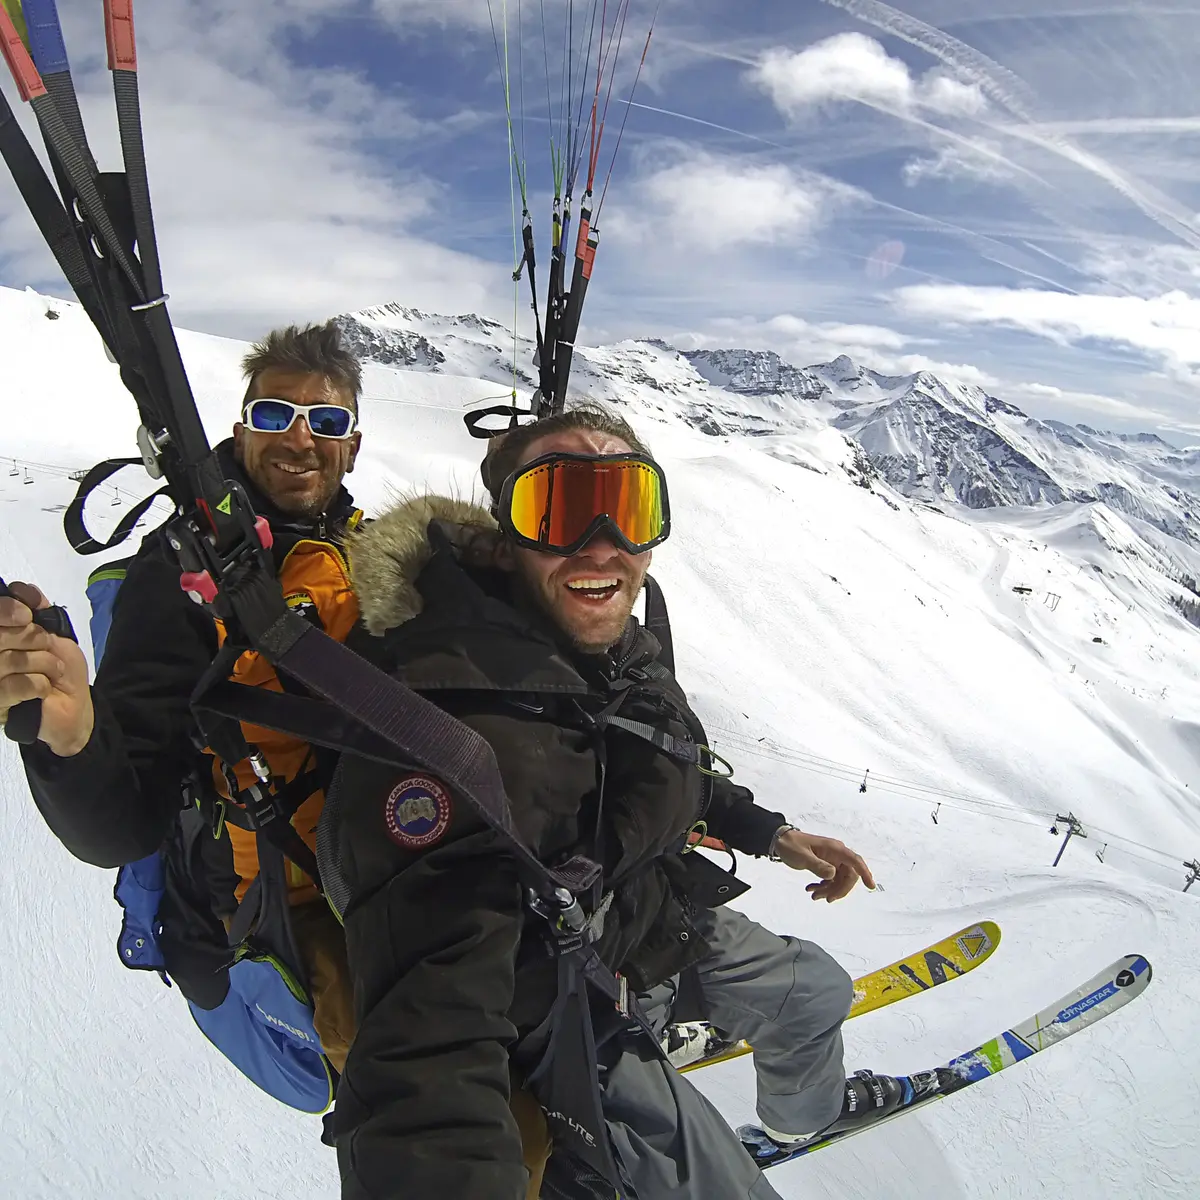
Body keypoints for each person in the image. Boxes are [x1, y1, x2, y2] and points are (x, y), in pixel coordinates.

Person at [328, 401, 929, 1199]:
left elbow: (660, 765)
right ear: (504, 541)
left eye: (630, 507)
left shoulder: (609, 652)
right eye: (560, 509)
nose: (602, 542)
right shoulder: (448, 730)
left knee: (815, 988)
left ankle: (799, 1118)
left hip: (649, 916)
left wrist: (768, 833)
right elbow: (428, 1037)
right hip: (570, 1004)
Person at [0, 320, 365, 1070]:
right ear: (242, 429)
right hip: (267, 917)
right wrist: (70, 739)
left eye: (325, 421)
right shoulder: (180, 577)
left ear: (351, 444)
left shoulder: (374, 554)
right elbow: (124, 822)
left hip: (379, 857)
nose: (299, 440)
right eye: (275, 416)